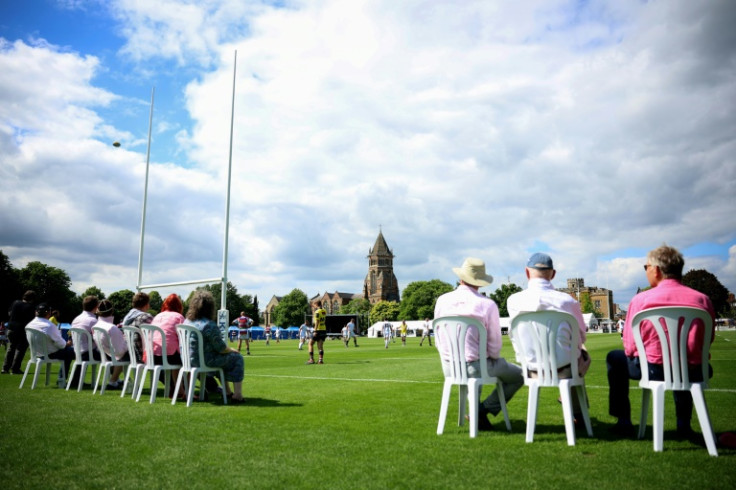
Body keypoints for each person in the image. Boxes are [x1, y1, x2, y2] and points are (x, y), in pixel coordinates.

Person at [606, 244, 715, 438]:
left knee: (615, 358)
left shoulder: (641, 300)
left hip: (654, 369)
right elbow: (709, 339)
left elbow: (630, 347)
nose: (646, 271)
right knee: (682, 362)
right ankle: (683, 424)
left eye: (645, 267)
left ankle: (623, 421)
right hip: (695, 370)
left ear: (656, 270)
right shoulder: (702, 300)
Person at [434, 257, 524, 432]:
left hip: (449, 366)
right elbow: (495, 345)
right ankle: (483, 410)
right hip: (476, 366)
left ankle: (478, 412)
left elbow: (438, 335)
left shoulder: (442, 300)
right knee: (520, 375)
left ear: (461, 277)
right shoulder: (486, 304)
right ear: (480, 282)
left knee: (479, 364)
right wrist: (491, 358)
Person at [506, 252, 591, 416]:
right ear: (553, 274)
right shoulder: (567, 301)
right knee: (583, 354)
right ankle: (579, 413)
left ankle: (577, 410)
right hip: (564, 368)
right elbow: (581, 337)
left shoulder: (514, 300)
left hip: (531, 367)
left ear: (526, 272)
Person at [185, 290, 244, 403]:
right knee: (237, 358)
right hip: (205, 362)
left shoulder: (186, 322)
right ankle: (237, 395)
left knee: (221, 359)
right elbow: (221, 348)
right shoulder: (209, 325)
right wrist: (231, 349)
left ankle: (227, 392)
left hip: (188, 360)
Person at [25, 303, 74, 386]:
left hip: (36, 353)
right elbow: (62, 345)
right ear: (49, 313)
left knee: (68, 352)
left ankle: (64, 380)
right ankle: (63, 380)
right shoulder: (49, 326)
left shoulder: (29, 325)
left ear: (36, 312)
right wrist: (68, 343)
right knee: (73, 352)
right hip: (50, 353)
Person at [151, 294, 186, 397]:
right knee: (187, 361)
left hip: (153, 356)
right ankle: (184, 390)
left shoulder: (157, 316)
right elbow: (183, 338)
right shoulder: (179, 317)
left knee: (175, 359)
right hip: (170, 356)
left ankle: (176, 388)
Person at [94, 299, 129, 389]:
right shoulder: (112, 328)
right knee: (130, 353)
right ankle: (113, 381)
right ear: (112, 310)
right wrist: (127, 344)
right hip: (113, 355)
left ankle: (116, 379)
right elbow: (119, 351)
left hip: (106, 354)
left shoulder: (95, 326)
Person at [2, 290, 36, 374]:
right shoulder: (31, 307)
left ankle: (5, 368)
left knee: (11, 348)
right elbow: (32, 319)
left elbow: (9, 313)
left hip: (11, 328)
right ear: (32, 299)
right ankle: (15, 368)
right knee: (20, 349)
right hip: (22, 330)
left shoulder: (15, 303)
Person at [121, 292, 154, 363]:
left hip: (129, 353)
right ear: (146, 304)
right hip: (141, 354)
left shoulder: (127, 317)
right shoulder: (146, 317)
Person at [306, 300, 327, 365]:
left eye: (314, 305)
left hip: (318, 330)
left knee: (310, 343)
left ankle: (311, 359)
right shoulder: (324, 311)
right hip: (323, 329)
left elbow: (317, 322)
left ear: (316, 304)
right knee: (320, 346)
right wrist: (312, 304)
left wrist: (315, 331)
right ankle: (320, 360)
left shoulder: (317, 312)